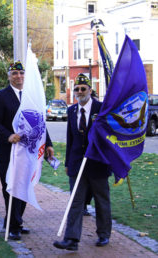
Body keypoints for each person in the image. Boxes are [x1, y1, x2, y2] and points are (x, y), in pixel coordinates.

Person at [0, 61, 54, 240]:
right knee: (10, 186)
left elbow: (40, 122)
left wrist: (48, 143)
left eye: (21, 73)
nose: (19, 76)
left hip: (28, 151)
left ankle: (13, 220)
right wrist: (9, 135)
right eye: (15, 73)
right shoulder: (0, 96)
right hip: (7, 151)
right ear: (9, 76)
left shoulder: (31, 96)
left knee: (25, 185)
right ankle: (14, 225)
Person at [53, 73, 111, 251]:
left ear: (90, 90)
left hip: (98, 162)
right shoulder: (71, 111)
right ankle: (71, 239)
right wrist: (68, 163)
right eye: (77, 89)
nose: (79, 92)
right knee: (75, 202)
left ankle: (103, 235)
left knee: (101, 200)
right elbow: (70, 139)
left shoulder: (102, 109)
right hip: (77, 163)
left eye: (83, 89)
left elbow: (109, 136)